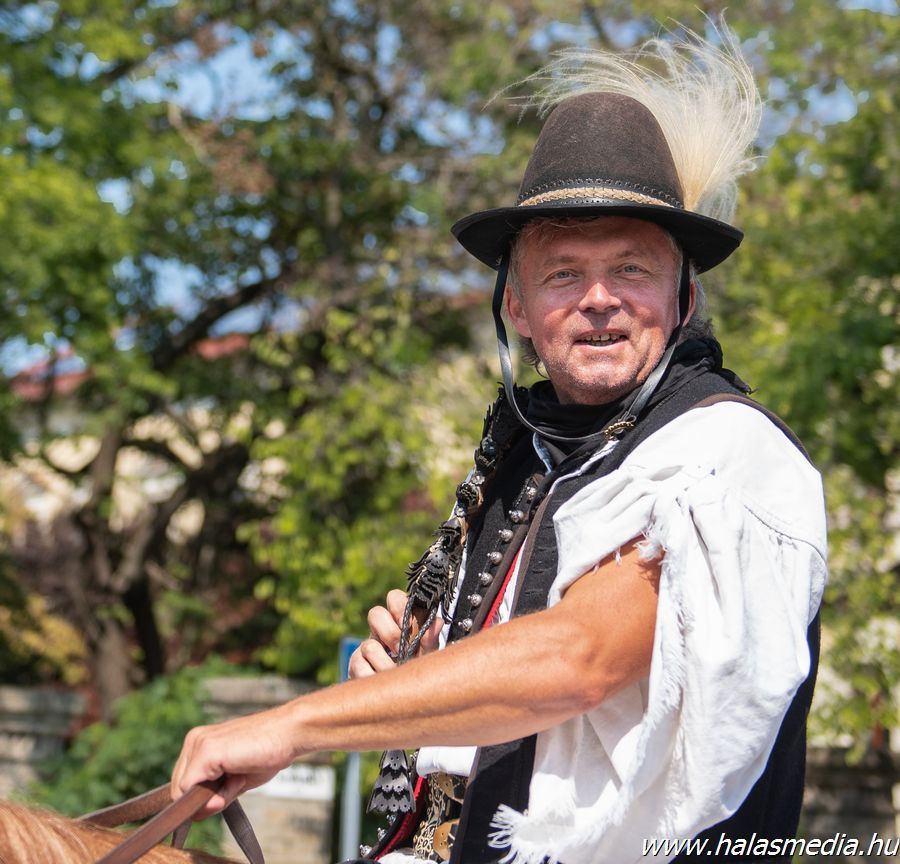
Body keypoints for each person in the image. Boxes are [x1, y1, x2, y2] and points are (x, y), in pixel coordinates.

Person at [171, 24, 827, 864]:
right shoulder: (525, 460)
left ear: (684, 299)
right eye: (563, 273)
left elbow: (579, 658)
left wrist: (295, 726)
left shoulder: (725, 452)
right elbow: (503, 713)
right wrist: (415, 675)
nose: (599, 298)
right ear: (517, 307)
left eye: (632, 269)